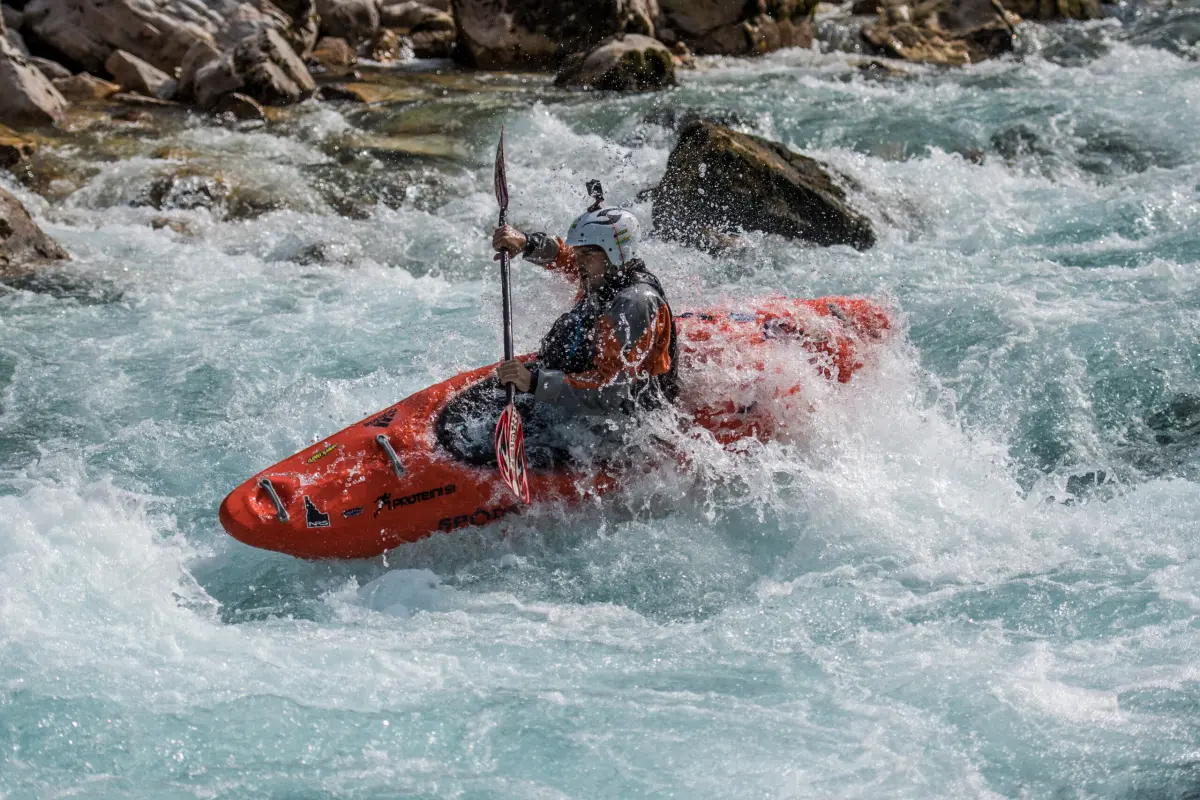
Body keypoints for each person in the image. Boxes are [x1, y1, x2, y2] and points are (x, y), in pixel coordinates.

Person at [491, 199, 678, 416]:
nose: (578, 262)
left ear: (615, 253)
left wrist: (534, 382)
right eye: (578, 253)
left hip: (623, 418)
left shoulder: (635, 303)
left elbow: (611, 391)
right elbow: (563, 256)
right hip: (576, 396)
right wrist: (527, 243)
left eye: (586, 255)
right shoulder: (606, 274)